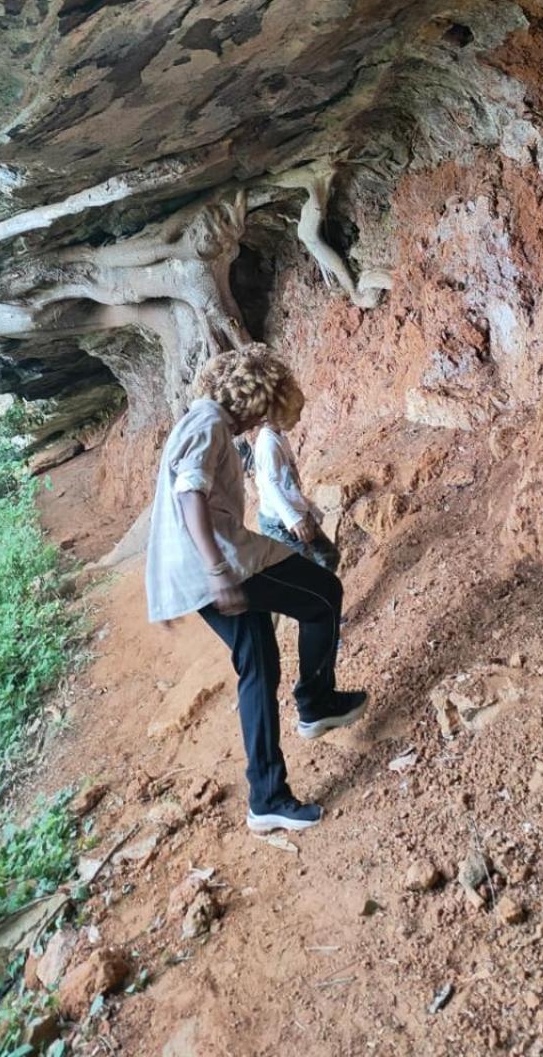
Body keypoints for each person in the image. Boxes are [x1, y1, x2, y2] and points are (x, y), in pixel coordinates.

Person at [145, 344, 367, 833]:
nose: (258, 422)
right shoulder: (208, 426)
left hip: (200, 572)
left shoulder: (198, 421)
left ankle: (266, 798)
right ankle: (316, 702)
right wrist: (217, 569)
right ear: (253, 396)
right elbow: (189, 493)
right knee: (323, 595)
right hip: (223, 564)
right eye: (263, 409)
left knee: (258, 668)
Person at [252, 405, 340, 573]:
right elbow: (270, 485)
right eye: (295, 413)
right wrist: (293, 519)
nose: (298, 419)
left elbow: (287, 483)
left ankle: (325, 593)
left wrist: (307, 507)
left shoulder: (278, 437)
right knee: (307, 574)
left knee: (328, 557)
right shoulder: (269, 445)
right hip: (280, 523)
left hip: (294, 512)